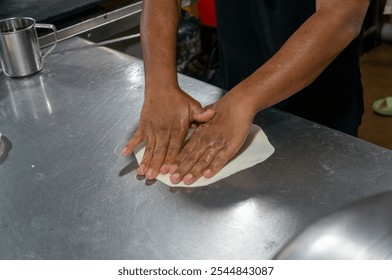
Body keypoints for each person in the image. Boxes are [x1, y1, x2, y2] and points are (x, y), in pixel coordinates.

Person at [122, 0, 370, 185]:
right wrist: (160, 85)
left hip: (320, 112)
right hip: (232, 86)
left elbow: (341, 17)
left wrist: (244, 100)